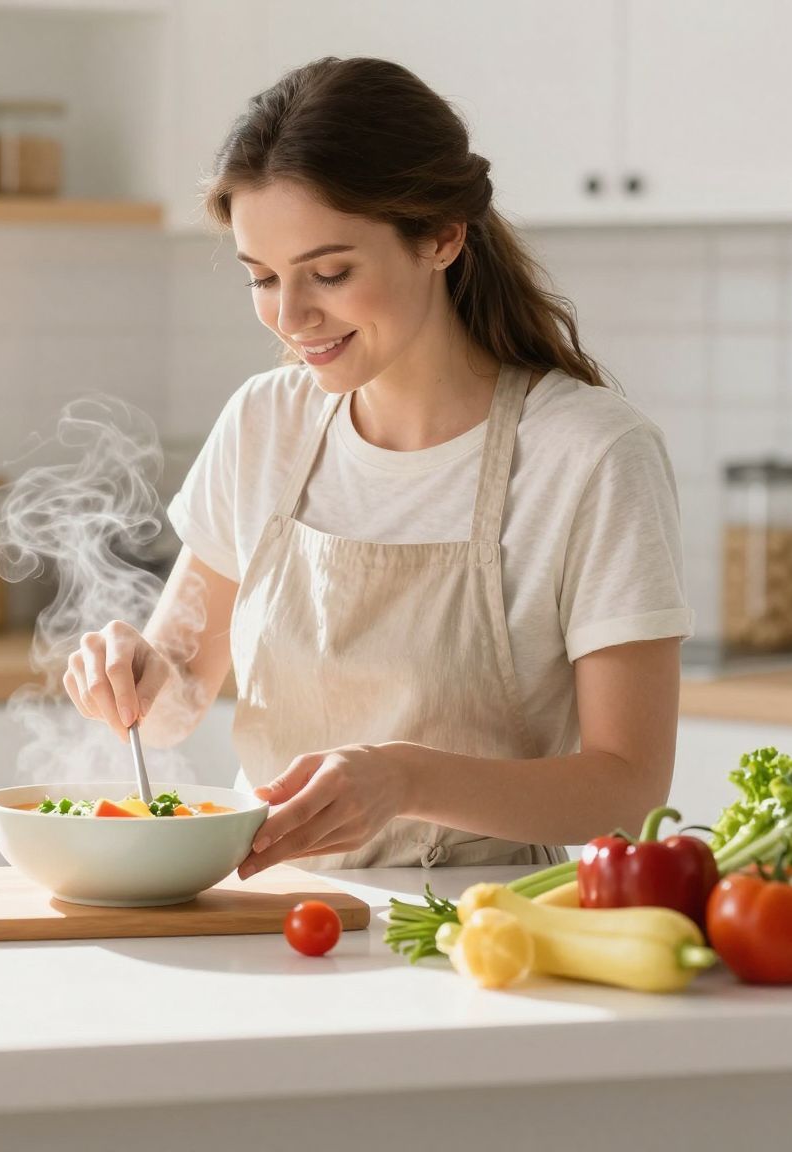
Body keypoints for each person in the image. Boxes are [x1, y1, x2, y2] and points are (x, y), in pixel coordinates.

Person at [63, 57, 693, 877]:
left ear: (440, 235)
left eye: (330, 273)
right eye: (262, 278)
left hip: (479, 931)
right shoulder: (265, 423)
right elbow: (179, 689)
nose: (291, 318)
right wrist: (133, 677)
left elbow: (628, 787)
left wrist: (405, 779)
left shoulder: (591, 455)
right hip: (266, 914)